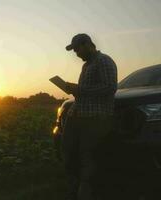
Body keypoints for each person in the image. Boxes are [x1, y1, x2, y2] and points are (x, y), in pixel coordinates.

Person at [61, 33, 118, 200]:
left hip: (95, 117)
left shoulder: (104, 61)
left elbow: (109, 88)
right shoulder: (86, 66)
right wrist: (74, 90)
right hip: (79, 115)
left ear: (87, 44)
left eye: (78, 49)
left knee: (88, 156)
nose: (76, 54)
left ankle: (87, 192)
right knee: (69, 152)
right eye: (74, 51)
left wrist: (80, 90)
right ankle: (75, 188)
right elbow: (86, 92)